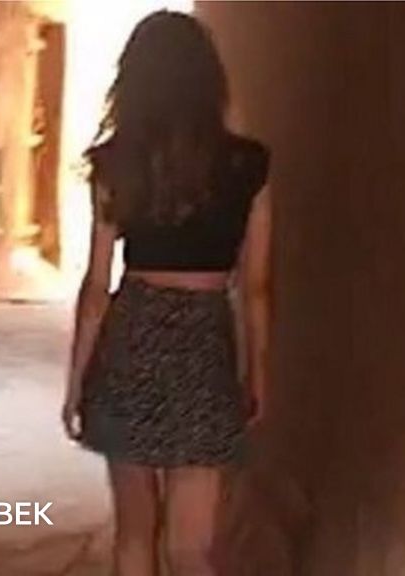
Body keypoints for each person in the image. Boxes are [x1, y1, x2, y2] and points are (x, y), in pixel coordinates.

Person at [62, 10, 270, 576]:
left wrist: (77, 380)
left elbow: (96, 286)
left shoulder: (115, 164)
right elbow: (255, 287)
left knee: (135, 535)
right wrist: (258, 372)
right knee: (191, 549)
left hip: (134, 334)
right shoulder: (247, 165)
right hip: (205, 344)